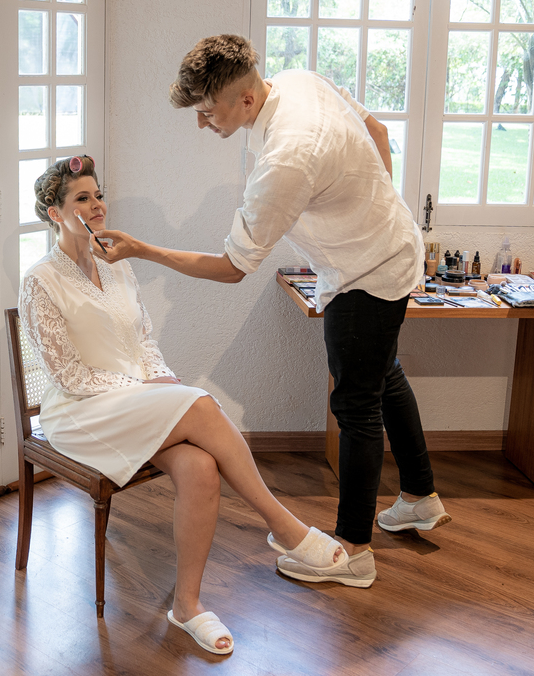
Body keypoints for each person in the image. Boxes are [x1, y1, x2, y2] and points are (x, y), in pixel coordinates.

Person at [93, 34, 451, 588]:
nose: (201, 123)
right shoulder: (299, 79)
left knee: (356, 404)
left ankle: (355, 552)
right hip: (392, 246)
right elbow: (378, 133)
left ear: (244, 99)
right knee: (383, 373)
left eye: (207, 111)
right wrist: (376, 208)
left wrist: (142, 249)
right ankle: (420, 497)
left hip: (367, 274)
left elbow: (233, 268)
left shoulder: (286, 157)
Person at [18, 155, 349, 656]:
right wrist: (148, 391)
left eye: (98, 194)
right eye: (82, 198)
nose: (98, 205)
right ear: (55, 213)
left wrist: (159, 379)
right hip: (81, 411)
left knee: (199, 466)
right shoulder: (40, 280)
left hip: (134, 400)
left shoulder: (117, 263)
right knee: (200, 405)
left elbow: (144, 341)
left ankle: (188, 606)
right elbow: (70, 375)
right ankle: (285, 527)